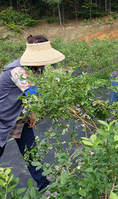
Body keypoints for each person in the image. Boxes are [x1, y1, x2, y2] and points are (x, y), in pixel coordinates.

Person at [0, 35, 65, 192]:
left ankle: (44, 186)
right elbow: (36, 94)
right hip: (3, 119)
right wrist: (65, 104)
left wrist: (32, 115)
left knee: (31, 154)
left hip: (20, 119)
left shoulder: (37, 68)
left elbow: (36, 93)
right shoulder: (17, 71)